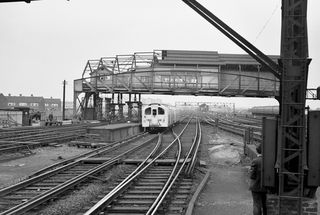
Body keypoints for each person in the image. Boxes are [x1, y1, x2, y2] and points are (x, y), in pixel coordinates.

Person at [249, 143, 267, 215]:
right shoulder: (268, 161)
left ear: (258, 151)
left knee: (256, 204)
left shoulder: (255, 161)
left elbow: (252, 176)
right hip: (265, 187)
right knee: (265, 204)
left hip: (256, 186)